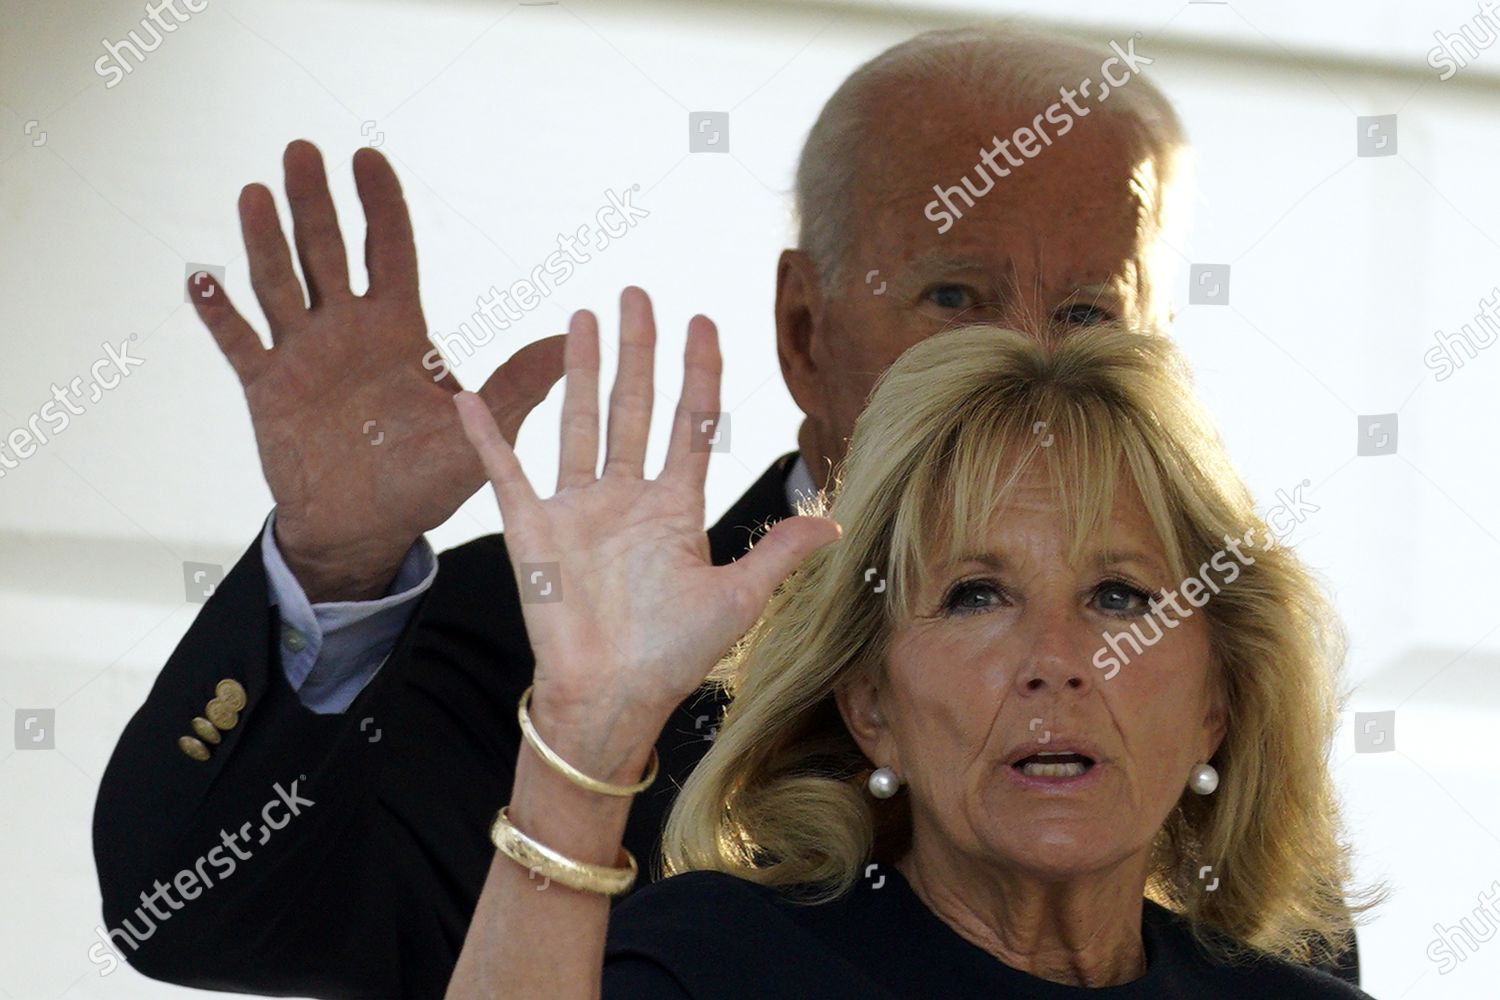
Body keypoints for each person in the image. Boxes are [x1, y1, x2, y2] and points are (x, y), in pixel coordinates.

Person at [90, 24, 1359, 997]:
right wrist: (343, 563)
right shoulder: (537, 636)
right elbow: (187, 913)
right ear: (804, 332)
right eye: (956, 297)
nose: (1019, 361)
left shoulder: (1202, 687)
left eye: (1088, 310)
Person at [444, 307, 1376, 999]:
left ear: (1218, 699)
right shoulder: (717, 963)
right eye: (977, 596)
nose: (1056, 659)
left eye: (1119, 596)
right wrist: (583, 735)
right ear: (869, 705)